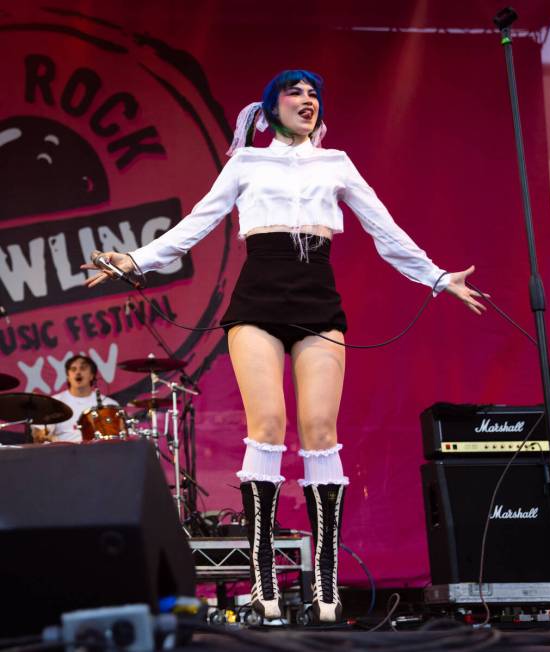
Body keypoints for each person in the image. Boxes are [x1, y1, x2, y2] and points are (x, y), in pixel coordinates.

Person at [82, 69, 486, 623]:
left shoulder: (337, 163)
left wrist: (437, 277)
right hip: (260, 298)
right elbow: (198, 224)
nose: (307, 101)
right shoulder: (246, 162)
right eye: (294, 94)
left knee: (322, 433)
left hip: (317, 297)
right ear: (270, 108)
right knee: (267, 424)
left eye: (314, 94)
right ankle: (262, 576)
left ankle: (324, 583)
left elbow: (383, 228)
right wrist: (134, 260)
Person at [32, 355, 118, 443]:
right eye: (73, 369)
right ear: (68, 377)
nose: (78, 372)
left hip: (100, 453)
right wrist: (39, 434)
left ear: (92, 375)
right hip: (64, 454)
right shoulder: (53, 403)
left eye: (83, 368)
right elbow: (39, 435)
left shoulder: (109, 405)